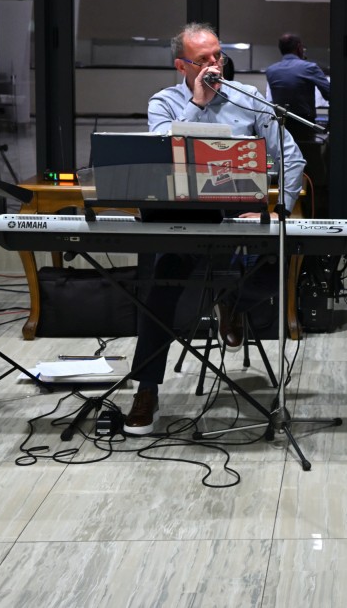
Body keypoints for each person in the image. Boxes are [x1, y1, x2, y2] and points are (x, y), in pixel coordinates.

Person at [124, 22, 306, 435]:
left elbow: (291, 156)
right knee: (160, 291)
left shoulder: (249, 98)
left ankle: (233, 302)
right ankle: (147, 389)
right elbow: (163, 153)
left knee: (278, 267)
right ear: (181, 66)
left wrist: (281, 208)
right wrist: (198, 101)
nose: (214, 65)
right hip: (185, 219)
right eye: (203, 59)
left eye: (217, 56)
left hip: (242, 215)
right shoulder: (164, 103)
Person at [264, 33, 330, 120]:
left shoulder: (271, 70)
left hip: (281, 122)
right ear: (299, 47)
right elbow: (329, 94)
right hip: (305, 123)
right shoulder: (310, 67)